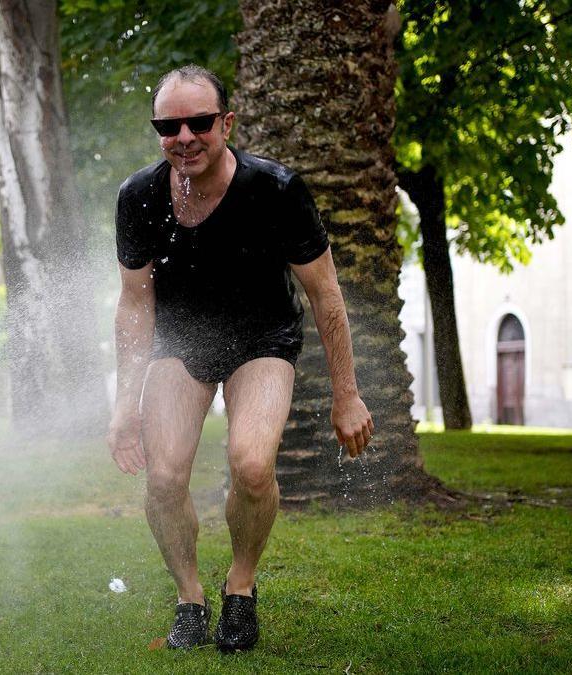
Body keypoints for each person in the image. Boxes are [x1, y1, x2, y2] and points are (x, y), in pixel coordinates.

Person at [107, 64, 374, 653]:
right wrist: (124, 406)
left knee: (252, 466)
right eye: (168, 125)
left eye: (199, 122)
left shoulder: (275, 190)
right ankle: (190, 599)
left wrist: (346, 393)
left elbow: (325, 294)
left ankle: (241, 586)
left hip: (263, 340)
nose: (184, 137)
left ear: (225, 123)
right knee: (165, 476)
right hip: (182, 345)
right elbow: (134, 308)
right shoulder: (139, 197)